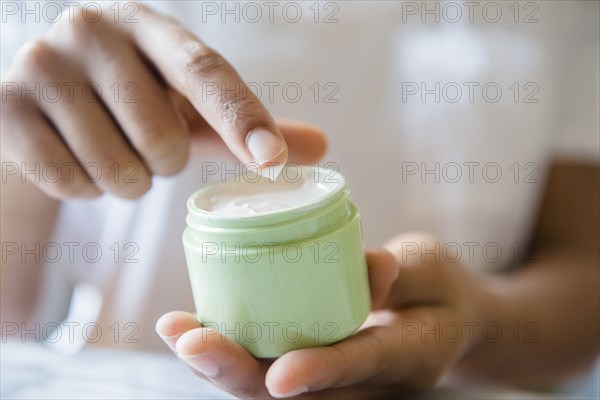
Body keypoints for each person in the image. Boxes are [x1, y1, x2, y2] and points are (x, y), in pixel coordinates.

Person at [1, 1, 598, 398]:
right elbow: (8, 316)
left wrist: (480, 319)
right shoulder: (54, 19)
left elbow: (585, 264)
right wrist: (17, 154)